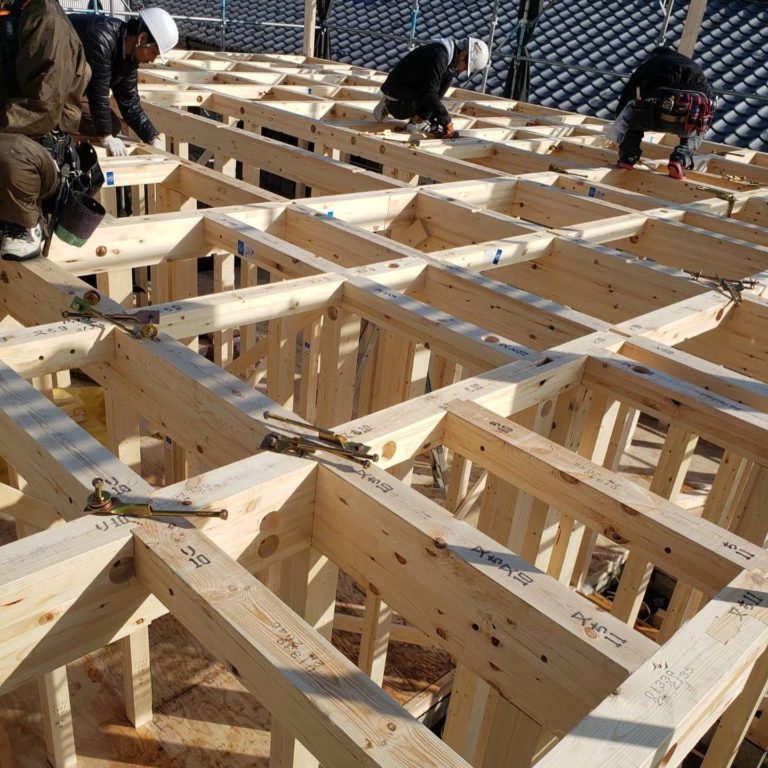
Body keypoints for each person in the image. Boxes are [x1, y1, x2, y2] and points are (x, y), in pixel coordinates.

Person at [0, 0, 90, 260]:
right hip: (16, 135)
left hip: (39, 153)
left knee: (8, 152)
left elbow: (43, 108)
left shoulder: (48, 22)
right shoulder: (15, 12)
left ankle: (25, 225)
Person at [69, 7, 179, 156]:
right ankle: (54, 132)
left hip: (74, 86)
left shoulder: (129, 58)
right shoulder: (102, 39)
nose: (153, 59)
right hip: (51, 81)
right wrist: (106, 136)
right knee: (104, 127)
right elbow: (98, 92)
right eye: (154, 52)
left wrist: (152, 136)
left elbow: (129, 102)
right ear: (142, 39)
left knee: (113, 125)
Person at [612, 46, 715, 180]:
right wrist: (703, 125)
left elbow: (629, 93)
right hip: (687, 120)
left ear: (654, 55)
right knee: (697, 129)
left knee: (633, 114)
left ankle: (628, 156)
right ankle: (680, 158)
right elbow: (709, 102)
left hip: (654, 116)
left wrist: (621, 122)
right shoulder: (693, 67)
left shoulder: (650, 64)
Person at [372, 37, 490, 138]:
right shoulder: (438, 56)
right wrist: (446, 121)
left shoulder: (448, 60)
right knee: (424, 98)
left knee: (446, 79)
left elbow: (437, 93)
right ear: (463, 54)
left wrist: (431, 118)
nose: (463, 70)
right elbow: (429, 92)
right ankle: (387, 103)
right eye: (465, 67)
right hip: (397, 94)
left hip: (411, 89)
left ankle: (417, 122)